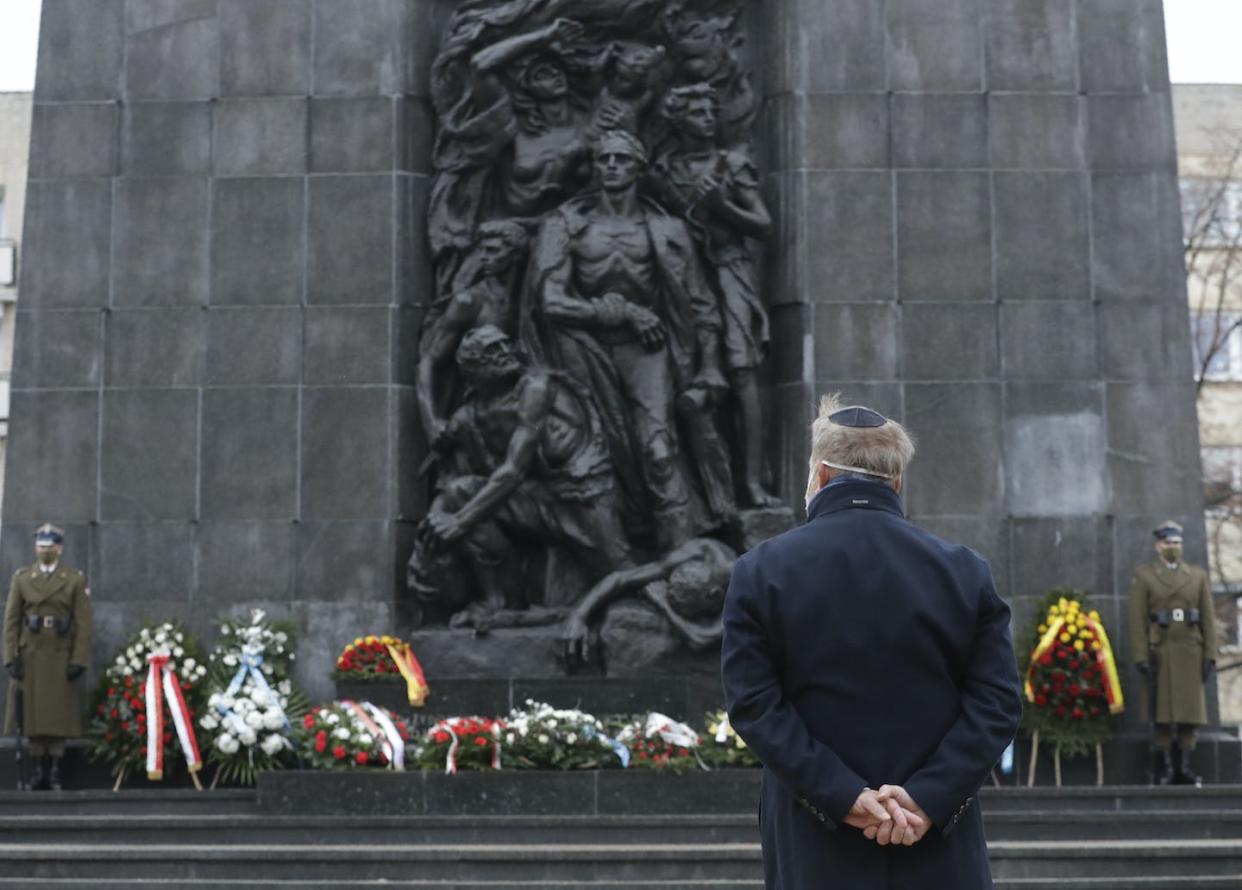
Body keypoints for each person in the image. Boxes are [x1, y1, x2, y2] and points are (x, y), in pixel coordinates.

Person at [721, 395, 1022, 889]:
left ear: (819, 475)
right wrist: (927, 797)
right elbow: (997, 703)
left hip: (813, 841)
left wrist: (842, 796)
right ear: (897, 481)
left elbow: (755, 705)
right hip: (935, 843)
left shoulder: (762, 571)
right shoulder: (963, 571)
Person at [528, 128, 730, 547]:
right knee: (589, 459)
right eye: (604, 159)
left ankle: (683, 557)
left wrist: (709, 368)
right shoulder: (565, 224)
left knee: (658, 453)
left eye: (621, 159)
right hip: (580, 349)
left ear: (638, 167)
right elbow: (549, 301)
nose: (612, 167)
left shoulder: (668, 229)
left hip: (649, 350)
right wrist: (614, 312)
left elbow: (701, 306)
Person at [409, 325, 631, 620]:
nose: (504, 353)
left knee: (625, 580)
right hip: (540, 501)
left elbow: (513, 470)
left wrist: (459, 523)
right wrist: (424, 547)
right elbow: (450, 480)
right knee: (458, 493)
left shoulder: (536, 388)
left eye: (504, 345)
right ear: (472, 369)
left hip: (583, 500)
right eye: (491, 352)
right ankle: (500, 602)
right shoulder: (471, 415)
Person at [3, 524, 92, 791]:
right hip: (30, 653)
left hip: (59, 654)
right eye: (41, 547)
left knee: (56, 716)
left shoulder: (73, 579)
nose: (45, 551)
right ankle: (37, 770)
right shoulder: (22, 579)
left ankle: (54, 771)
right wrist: (10, 657)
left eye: (50, 547)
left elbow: (83, 623)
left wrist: (79, 659)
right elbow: (11, 620)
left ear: (60, 548)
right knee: (32, 716)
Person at [1127, 520, 1216, 787]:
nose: (1173, 548)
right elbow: (1137, 619)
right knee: (1163, 716)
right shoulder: (1145, 576)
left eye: (1177, 543)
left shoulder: (1197, 576)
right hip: (1161, 651)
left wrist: (1210, 654)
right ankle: (1164, 769)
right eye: (1168, 543)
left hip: (1190, 650)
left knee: (1190, 715)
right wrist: (1141, 657)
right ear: (1158, 546)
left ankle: (1183, 768)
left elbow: (1208, 618)